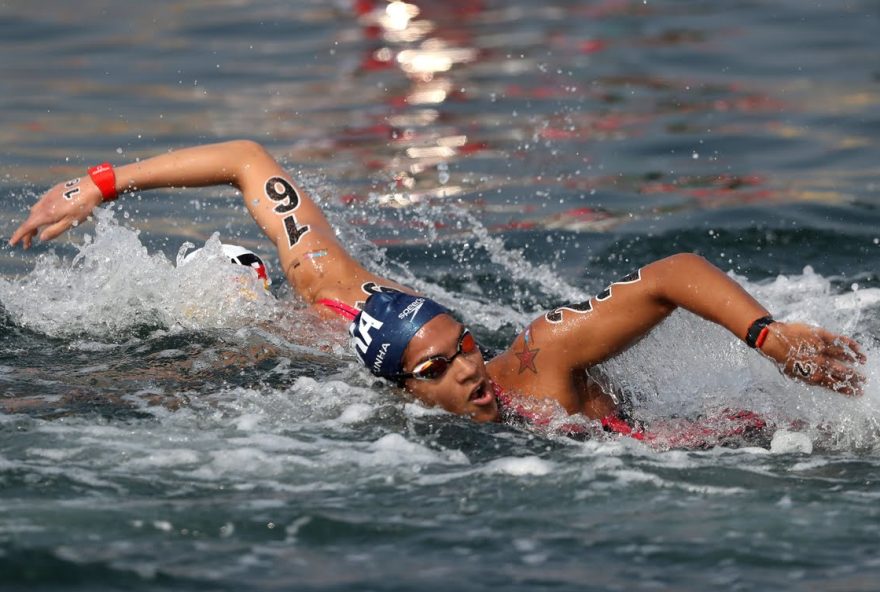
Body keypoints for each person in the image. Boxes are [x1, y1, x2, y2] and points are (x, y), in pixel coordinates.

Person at [8, 140, 866, 437]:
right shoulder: (305, 348)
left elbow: (246, 160)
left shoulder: (334, 288)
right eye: (447, 370)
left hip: (732, 441)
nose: (471, 372)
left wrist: (97, 182)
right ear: (405, 392)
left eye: (463, 350)